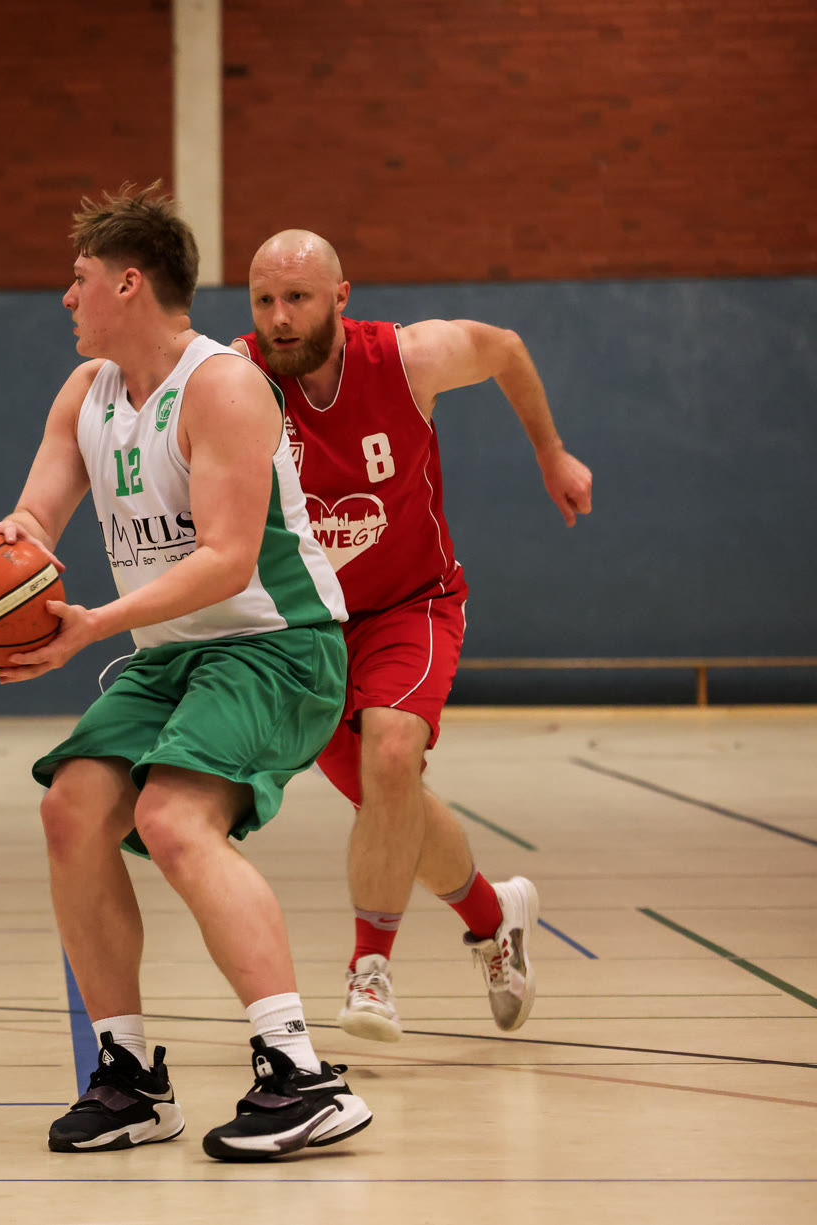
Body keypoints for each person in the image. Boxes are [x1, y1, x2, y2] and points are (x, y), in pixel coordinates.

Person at [0, 184, 370, 1161]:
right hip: (173, 652)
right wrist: (0, 541)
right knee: (71, 810)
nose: (67, 297)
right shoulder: (85, 394)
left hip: (276, 643)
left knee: (174, 819)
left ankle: (299, 1071)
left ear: (128, 283)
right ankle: (130, 1077)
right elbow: (37, 519)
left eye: (80, 278)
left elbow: (225, 559)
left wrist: (93, 625)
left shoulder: (222, 386)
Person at [233, 230, 593, 1042]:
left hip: (410, 602)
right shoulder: (237, 375)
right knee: (390, 803)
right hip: (307, 626)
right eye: (264, 300)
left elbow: (506, 349)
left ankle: (370, 970)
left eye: (298, 298)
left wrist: (551, 454)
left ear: (341, 297)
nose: (280, 318)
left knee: (392, 757)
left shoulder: (406, 359)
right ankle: (497, 916)